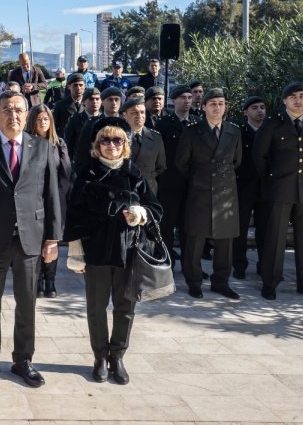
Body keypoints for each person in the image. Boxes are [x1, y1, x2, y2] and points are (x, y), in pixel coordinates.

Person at [0, 91, 61, 388]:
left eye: (19, 110)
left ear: (26, 114)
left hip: (30, 239)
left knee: (27, 302)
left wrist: (53, 238)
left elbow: (52, 195)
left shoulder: (42, 147)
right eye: (6, 109)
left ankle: (23, 360)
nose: (13, 115)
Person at [65, 118, 162, 385]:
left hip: (128, 252)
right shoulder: (86, 173)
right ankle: (99, 356)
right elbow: (73, 215)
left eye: (117, 140)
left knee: (125, 307)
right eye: (105, 141)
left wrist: (141, 214)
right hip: (96, 252)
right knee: (96, 307)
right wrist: (75, 250)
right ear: (97, 146)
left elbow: (156, 209)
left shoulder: (134, 174)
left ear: (125, 145)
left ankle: (117, 356)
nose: (111, 145)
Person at [253, 81, 303, 301]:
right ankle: (270, 283)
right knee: (275, 238)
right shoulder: (273, 124)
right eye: (294, 96)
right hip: (279, 188)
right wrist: (272, 179)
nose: (299, 100)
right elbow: (260, 157)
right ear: (285, 100)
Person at [175, 89, 243, 300]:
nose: (217, 107)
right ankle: (194, 282)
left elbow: (237, 161)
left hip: (225, 193)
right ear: (203, 107)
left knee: (225, 243)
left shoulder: (234, 131)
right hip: (200, 190)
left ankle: (221, 282)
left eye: (221, 103)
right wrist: (200, 178)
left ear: (226, 107)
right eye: (212, 103)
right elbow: (182, 162)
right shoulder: (192, 132)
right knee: (195, 240)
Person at [26, 104, 71, 299]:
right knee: (35, 240)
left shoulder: (58, 143)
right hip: (33, 199)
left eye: (46, 119)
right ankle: (36, 280)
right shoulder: (27, 142)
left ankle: (50, 280)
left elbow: (66, 172)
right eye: (39, 119)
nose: (43, 122)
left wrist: (58, 196)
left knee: (51, 239)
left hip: (55, 198)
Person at [155, 84, 201, 263]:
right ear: (173, 100)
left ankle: (191, 265)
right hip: (169, 182)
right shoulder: (164, 124)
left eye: (190, 98)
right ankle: (167, 262)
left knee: (189, 227)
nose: (187, 101)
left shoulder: (197, 122)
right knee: (166, 226)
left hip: (193, 183)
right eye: (183, 98)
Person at [233, 96, 266, 279]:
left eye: (262, 107)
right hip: (243, 187)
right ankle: (239, 266)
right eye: (255, 108)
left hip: (264, 188)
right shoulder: (239, 131)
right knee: (240, 230)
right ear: (246, 112)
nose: (260, 111)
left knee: (265, 229)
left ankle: (265, 265)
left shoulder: (270, 131)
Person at [120, 97, 166, 196]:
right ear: (124, 115)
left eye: (142, 112)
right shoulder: (117, 137)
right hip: (123, 191)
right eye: (134, 113)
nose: (139, 116)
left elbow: (160, 166)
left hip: (148, 192)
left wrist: (147, 177)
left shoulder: (156, 137)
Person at [73, 87, 123, 168]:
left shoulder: (126, 122)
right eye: (110, 100)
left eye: (116, 99)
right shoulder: (92, 123)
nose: (114, 103)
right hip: (97, 170)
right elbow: (82, 151)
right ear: (102, 102)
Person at [63, 87, 102, 168]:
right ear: (84, 101)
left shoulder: (105, 119)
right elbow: (68, 144)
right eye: (91, 99)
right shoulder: (75, 120)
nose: (95, 102)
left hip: (101, 163)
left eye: (97, 99)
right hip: (82, 164)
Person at [52, 73, 86, 139]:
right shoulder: (60, 105)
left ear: (84, 86)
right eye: (75, 85)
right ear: (69, 87)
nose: (78, 88)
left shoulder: (90, 103)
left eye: (81, 85)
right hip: (66, 143)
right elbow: (54, 128)